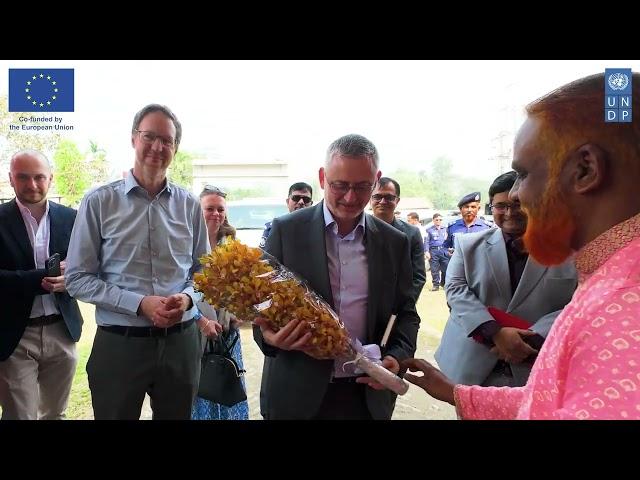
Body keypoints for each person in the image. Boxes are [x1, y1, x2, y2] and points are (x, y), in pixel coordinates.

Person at [402, 72, 640, 419]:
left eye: (525, 174)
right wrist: (458, 394)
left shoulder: (625, 303)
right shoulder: (609, 275)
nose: (515, 196)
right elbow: (547, 402)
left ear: (586, 170)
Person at [253, 134, 420, 420]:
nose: (350, 197)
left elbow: (405, 313)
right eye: (339, 185)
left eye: (362, 186)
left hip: (365, 394)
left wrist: (395, 357)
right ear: (322, 177)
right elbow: (260, 305)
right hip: (297, 394)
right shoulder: (286, 231)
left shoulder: (395, 242)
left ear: (376, 180)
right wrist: (269, 337)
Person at [65, 104, 209, 420]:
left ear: (175, 147)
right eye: (149, 136)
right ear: (134, 139)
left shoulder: (189, 205)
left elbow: (205, 272)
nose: (158, 147)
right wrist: (139, 303)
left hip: (180, 343)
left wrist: (186, 299)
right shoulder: (99, 201)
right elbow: (77, 277)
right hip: (120, 344)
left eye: (167, 140)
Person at [435, 171, 577, 387]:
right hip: (472, 365)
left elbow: (579, 301)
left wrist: (530, 338)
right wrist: (494, 332)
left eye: (518, 203)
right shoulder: (468, 245)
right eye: (500, 206)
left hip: (536, 362)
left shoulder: (572, 253)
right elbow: (455, 290)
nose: (510, 212)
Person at [0, 150, 83, 420]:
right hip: (15, 334)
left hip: (62, 330)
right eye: (23, 177)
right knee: (18, 415)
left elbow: (92, 268)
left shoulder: (73, 218)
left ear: (51, 178)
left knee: (55, 414)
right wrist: (40, 279)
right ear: (11, 179)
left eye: (39, 177)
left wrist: (71, 278)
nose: (32, 185)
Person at [191, 185, 249, 420]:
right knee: (201, 388)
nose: (216, 214)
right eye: (209, 209)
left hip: (226, 332)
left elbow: (241, 285)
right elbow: (174, 287)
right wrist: (200, 319)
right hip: (195, 331)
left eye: (220, 209)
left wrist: (239, 311)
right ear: (198, 210)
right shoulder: (185, 242)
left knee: (227, 386)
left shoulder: (231, 244)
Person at [370, 177, 426, 301]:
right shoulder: (358, 229)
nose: (382, 201)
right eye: (377, 197)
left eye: (389, 197)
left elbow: (418, 277)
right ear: (370, 199)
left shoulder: (412, 233)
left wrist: (404, 307)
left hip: (399, 308)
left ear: (397, 201)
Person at [259, 181, 313, 248]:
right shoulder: (273, 228)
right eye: (296, 198)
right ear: (287, 202)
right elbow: (264, 256)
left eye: (306, 199)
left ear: (311, 204)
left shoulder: (320, 227)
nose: (301, 202)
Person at [425, 213, 449, 291]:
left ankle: (443, 282)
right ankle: (436, 285)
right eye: (437, 220)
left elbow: (450, 240)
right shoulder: (429, 230)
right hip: (434, 251)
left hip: (444, 251)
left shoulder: (446, 229)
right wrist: (426, 251)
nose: (438, 221)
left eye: (440, 220)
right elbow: (426, 241)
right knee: (434, 269)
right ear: (433, 220)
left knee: (446, 269)